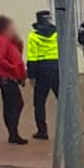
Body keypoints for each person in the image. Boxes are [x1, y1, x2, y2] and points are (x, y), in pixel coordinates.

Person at [0, 15, 27, 145]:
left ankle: (13, 133)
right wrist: (12, 68)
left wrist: (18, 42)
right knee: (16, 104)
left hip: (10, 77)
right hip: (7, 78)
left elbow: (17, 55)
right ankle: (13, 133)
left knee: (11, 105)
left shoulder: (9, 41)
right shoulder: (2, 40)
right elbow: (0, 58)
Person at [26, 10, 59, 140]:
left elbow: (32, 57)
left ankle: (42, 131)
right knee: (64, 101)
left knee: (39, 103)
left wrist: (31, 75)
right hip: (57, 69)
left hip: (41, 71)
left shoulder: (33, 36)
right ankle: (74, 127)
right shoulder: (57, 33)